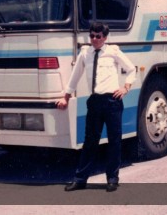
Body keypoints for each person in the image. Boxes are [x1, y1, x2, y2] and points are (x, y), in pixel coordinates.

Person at [56, 22, 137, 192]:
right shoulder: (85, 53)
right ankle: (80, 179)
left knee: (114, 141)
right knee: (90, 142)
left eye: (98, 36)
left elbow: (131, 69)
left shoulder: (113, 51)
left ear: (105, 37)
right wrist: (66, 98)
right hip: (95, 102)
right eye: (92, 35)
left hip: (112, 102)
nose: (94, 39)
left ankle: (112, 179)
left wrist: (125, 88)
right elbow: (75, 76)